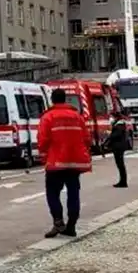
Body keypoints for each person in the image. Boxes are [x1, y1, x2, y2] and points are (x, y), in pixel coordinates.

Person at [38, 88, 92, 238]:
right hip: (75, 164)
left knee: (52, 193)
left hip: (56, 163)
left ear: (52, 100)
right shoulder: (77, 116)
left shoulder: (48, 117)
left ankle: (58, 222)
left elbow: (42, 141)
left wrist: (44, 157)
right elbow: (87, 139)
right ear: (65, 99)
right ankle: (72, 226)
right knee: (74, 194)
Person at [103, 110, 130, 188]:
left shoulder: (119, 125)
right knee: (120, 165)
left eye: (112, 116)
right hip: (118, 146)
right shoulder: (118, 124)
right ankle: (122, 181)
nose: (111, 118)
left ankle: (123, 182)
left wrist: (109, 134)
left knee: (120, 165)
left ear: (115, 117)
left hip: (119, 147)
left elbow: (116, 135)